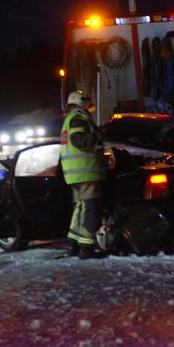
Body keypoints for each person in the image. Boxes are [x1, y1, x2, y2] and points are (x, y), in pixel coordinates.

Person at [60, 90, 107, 259]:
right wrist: (98, 136)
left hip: (75, 174)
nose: (89, 107)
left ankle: (73, 243)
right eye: (87, 103)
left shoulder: (70, 119)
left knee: (80, 208)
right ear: (81, 102)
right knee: (91, 208)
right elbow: (78, 140)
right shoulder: (78, 118)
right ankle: (86, 248)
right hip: (86, 172)